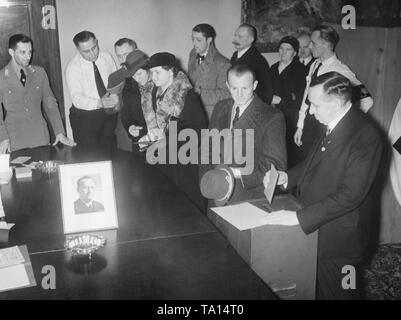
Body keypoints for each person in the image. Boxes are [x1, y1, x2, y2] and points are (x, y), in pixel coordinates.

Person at [263, 72, 382, 299]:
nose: (311, 110)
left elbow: (350, 196)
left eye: (315, 105)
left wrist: (298, 218)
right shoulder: (331, 120)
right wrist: (286, 177)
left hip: (342, 242)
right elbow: (312, 162)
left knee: (346, 293)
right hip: (316, 227)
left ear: (336, 103)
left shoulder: (365, 136)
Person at [200, 64, 287, 204]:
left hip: (247, 197)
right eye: (234, 88)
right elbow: (207, 148)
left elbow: (274, 165)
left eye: (245, 88)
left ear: (254, 85)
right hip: (215, 193)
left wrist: (235, 173)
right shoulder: (220, 107)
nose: (239, 94)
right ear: (228, 86)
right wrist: (207, 180)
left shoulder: (272, 117)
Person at [294, 24, 374, 154]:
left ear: (325, 45)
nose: (309, 47)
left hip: (325, 128)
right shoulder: (315, 64)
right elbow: (306, 97)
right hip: (310, 124)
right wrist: (300, 126)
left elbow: (367, 101)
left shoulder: (340, 70)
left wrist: (341, 123)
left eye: (313, 44)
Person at [144, 52, 208, 210]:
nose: (153, 77)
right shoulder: (154, 92)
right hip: (163, 159)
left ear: (171, 71)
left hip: (182, 161)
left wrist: (168, 140)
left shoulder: (187, 95)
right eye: (151, 73)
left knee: (185, 206)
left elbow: (199, 130)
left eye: (157, 72)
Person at [0, 34, 75, 153]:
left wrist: (59, 132)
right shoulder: (2, 77)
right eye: (22, 52)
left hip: (40, 137)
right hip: (13, 139)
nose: (28, 56)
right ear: (11, 52)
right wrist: (3, 137)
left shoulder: (40, 73)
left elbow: (50, 104)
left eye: (30, 52)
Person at [66, 30, 119, 149]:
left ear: (97, 42)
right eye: (86, 51)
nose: (92, 53)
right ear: (78, 50)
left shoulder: (106, 57)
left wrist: (115, 97)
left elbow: (116, 82)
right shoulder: (73, 67)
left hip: (108, 115)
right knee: (89, 157)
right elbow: (76, 98)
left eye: (94, 48)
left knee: (111, 154)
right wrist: (99, 103)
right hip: (85, 118)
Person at [270, 36, 306, 167]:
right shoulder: (273, 68)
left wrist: (281, 100)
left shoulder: (301, 70)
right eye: (281, 48)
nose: (283, 52)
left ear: (295, 52)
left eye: (288, 49)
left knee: (288, 151)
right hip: (272, 114)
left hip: (290, 117)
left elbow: (301, 98)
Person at [188, 23, 231, 119]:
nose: (194, 43)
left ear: (209, 40)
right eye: (193, 39)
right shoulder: (193, 54)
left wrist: (200, 93)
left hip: (210, 115)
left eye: (198, 40)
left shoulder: (223, 63)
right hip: (193, 111)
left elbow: (227, 94)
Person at [119, 50, 153, 154]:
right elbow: (125, 110)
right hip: (140, 138)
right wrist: (130, 126)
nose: (136, 78)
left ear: (148, 69)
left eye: (139, 73)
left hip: (162, 141)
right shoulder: (129, 84)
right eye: (133, 75)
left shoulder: (160, 82)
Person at [230, 24, 273, 104]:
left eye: (240, 37)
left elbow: (266, 93)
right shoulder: (235, 55)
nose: (235, 39)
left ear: (251, 40)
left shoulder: (258, 61)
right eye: (235, 35)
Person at [113, 38, 139, 151]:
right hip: (126, 134)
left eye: (127, 54)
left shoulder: (153, 72)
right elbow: (115, 109)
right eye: (119, 56)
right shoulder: (116, 77)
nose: (124, 60)